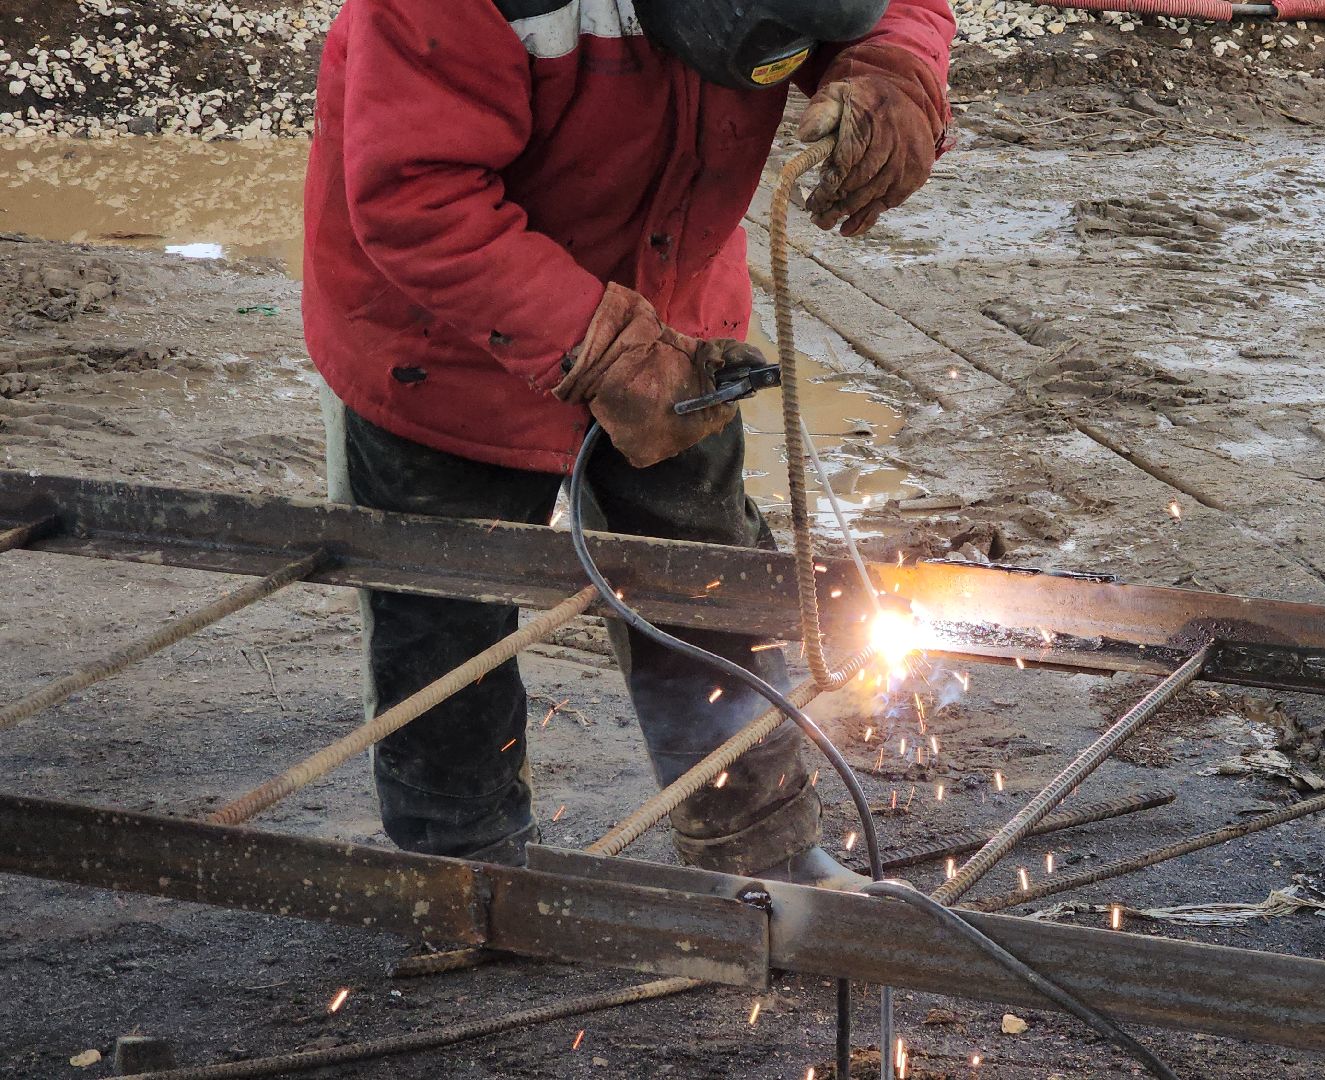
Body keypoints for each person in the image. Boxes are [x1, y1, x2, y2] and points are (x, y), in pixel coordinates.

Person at [301, 0, 955, 885]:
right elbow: (418, 194)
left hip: (670, 301)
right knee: (442, 611)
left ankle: (761, 852)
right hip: (443, 340)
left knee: (704, 578)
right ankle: (463, 877)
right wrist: (600, 346)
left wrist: (892, 72)